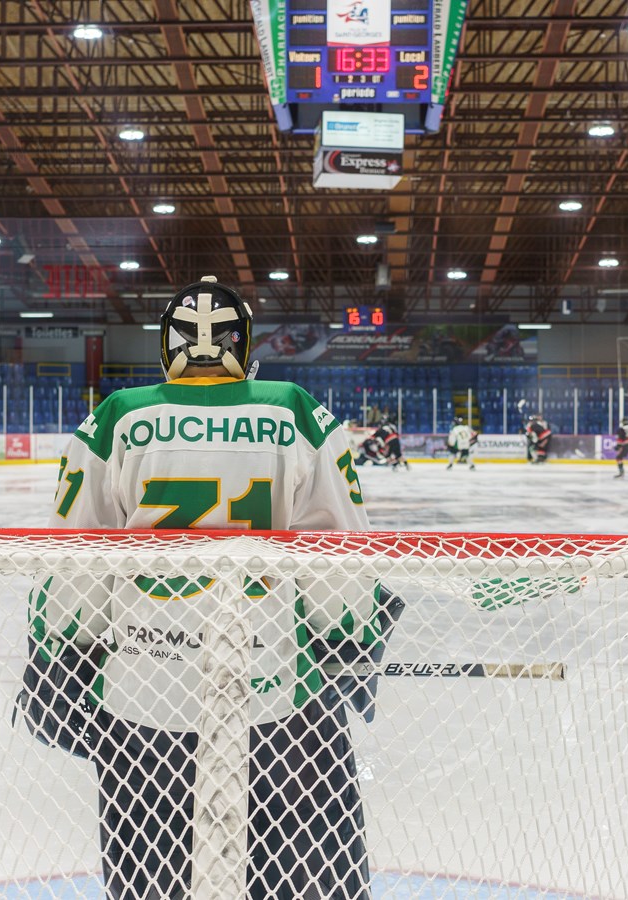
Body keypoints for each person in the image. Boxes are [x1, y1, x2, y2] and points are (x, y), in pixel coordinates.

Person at [23, 276, 377, 900]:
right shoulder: (296, 410)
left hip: (144, 696)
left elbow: (76, 560)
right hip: (278, 696)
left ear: (168, 348)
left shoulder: (117, 418)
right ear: (244, 347)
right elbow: (337, 553)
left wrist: (58, 658)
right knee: (310, 880)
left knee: (153, 883)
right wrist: (350, 642)